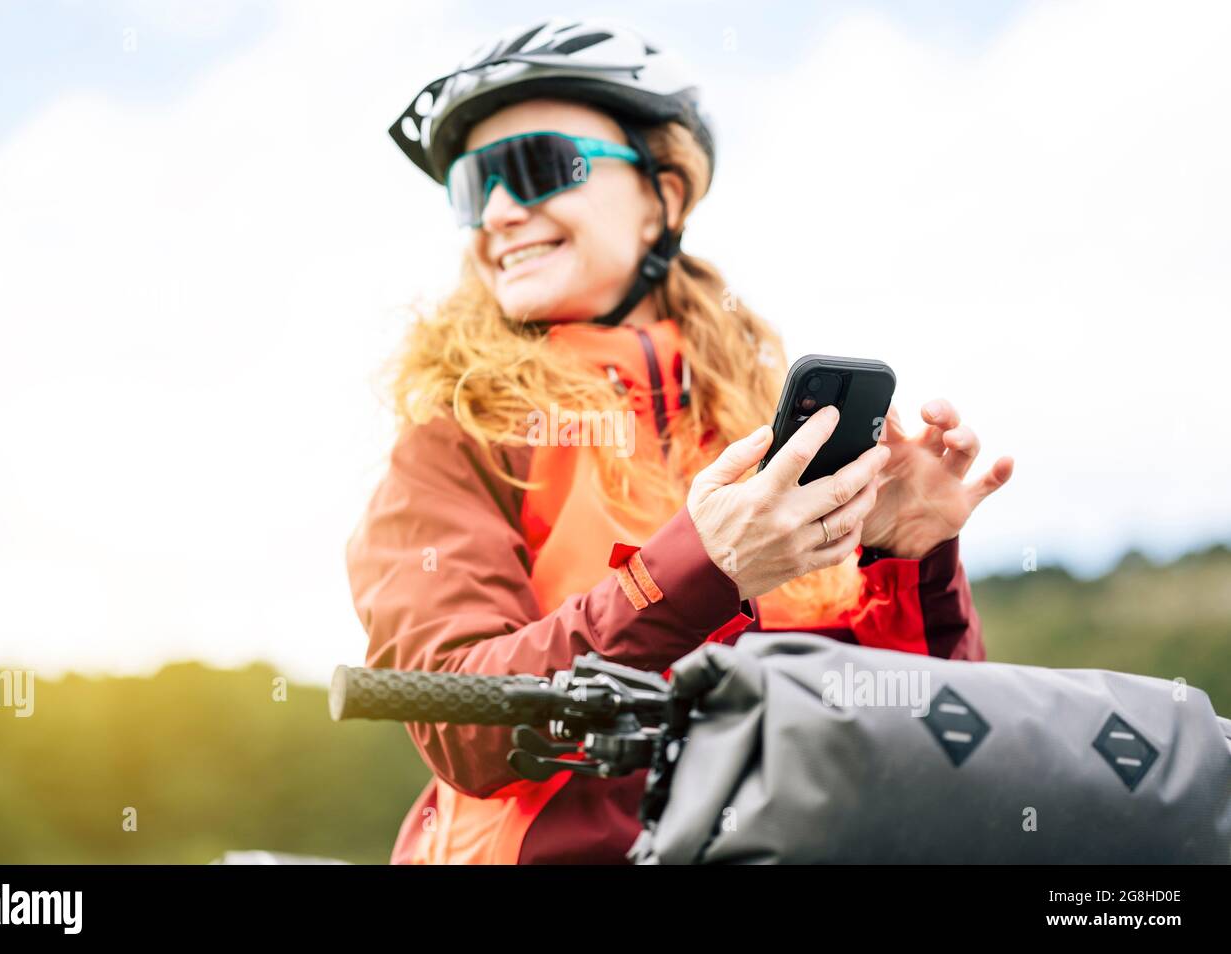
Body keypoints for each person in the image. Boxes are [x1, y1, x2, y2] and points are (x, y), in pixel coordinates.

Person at [347, 17, 1014, 864]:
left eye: (539, 168)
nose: (502, 214)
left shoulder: (762, 430)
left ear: (663, 194)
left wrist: (911, 561)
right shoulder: (450, 437)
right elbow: (463, 721)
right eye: (474, 187)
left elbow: (924, 725)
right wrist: (703, 564)